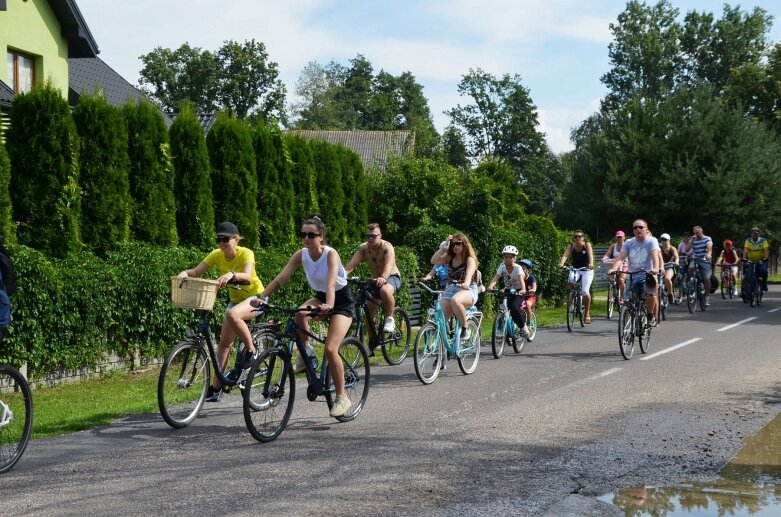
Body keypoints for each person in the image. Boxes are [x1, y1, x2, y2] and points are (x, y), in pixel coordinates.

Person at [251, 215, 355, 418]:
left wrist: (329, 306)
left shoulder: (331, 254)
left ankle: (342, 397)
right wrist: (262, 297)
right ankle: (307, 353)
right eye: (303, 234)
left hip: (341, 301)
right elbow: (281, 278)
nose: (306, 238)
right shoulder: (301, 255)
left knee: (331, 347)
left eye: (311, 234)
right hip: (321, 297)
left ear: (321, 237)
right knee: (299, 313)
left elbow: (332, 283)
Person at [177, 222, 264, 402]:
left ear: (236, 239)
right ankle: (216, 389)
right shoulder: (217, 255)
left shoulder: (246, 253)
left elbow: (247, 276)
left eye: (226, 239)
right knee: (224, 343)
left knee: (232, 315)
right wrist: (184, 274)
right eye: (219, 239)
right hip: (236, 301)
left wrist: (231, 274)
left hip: (257, 298)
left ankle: (252, 351)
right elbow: (196, 271)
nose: (222, 243)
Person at [345, 223, 402, 333]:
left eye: (373, 236)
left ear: (380, 236)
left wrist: (384, 277)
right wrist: (342, 276)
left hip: (391, 277)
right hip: (376, 280)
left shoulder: (387, 246)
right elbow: (353, 263)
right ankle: (372, 341)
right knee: (368, 307)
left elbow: (389, 265)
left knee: (385, 291)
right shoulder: (364, 248)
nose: (370, 239)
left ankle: (390, 318)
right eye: (368, 236)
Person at [608, 219, 662, 326]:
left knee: (650, 294)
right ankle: (628, 327)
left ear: (646, 229)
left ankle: (650, 315)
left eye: (641, 227)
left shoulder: (652, 241)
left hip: (648, 274)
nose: (638, 229)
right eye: (635, 227)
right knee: (628, 302)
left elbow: (655, 256)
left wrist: (655, 268)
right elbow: (620, 258)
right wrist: (613, 269)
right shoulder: (629, 243)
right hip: (632, 275)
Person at [431, 232, 479, 342]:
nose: (455, 246)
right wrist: (444, 247)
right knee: (441, 319)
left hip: (468, 289)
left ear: (464, 244)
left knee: (455, 300)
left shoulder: (469, 259)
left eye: (458, 243)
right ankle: (441, 349)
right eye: (453, 245)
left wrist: (466, 283)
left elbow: (469, 274)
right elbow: (433, 261)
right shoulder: (449, 258)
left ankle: (465, 328)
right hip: (451, 289)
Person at [486, 245, 529, 337]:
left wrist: (523, 289)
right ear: (503, 258)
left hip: (518, 291)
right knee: (503, 309)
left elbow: (521, 280)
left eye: (510, 257)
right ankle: (501, 329)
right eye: (506, 257)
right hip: (508, 290)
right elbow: (495, 279)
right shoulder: (502, 267)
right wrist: (490, 286)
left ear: (515, 258)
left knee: (514, 308)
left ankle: (523, 326)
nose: (508, 259)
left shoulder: (518, 268)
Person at [558, 230, 594, 324]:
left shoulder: (586, 245)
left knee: (585, 291)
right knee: (570, 281)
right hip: (575, 269)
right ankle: (574, 296)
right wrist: (561, 264)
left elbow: (590, 255)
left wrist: (590, 264)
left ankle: (587, 313)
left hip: (587, 270)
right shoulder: (571, 246)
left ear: (583, 237)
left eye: (580, 236)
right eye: (576, 237)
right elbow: (565, 255)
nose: (578, 238)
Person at [685, 225, 714, 306]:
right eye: (694, 233)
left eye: (697, 233)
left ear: (701, 232)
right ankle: (691, 284)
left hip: (704, 259)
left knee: (707, 278)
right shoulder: (693, 239)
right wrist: (691, 241)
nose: (696, 234)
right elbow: (687, 250)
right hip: (696, 259)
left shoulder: (707, 238)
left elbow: (709, 248)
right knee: (690, 268)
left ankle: (707, 296)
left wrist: (708, 254)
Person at [602, 230, 628, 302]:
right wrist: (605, 258)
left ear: (624, 237)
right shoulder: (613, 246)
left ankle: (623, 296)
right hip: (615, 265)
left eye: (620, 237)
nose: (619, 239)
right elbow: (607, 254)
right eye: (618, 237)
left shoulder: (627, 245)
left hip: (625, 265)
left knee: (621, 280)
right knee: (610, 277)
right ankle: (611, 296)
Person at [743, 227, 769, 292]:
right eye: (753, 233)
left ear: (759, 234)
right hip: (751, 261)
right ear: (751, 234)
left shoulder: (763, 240)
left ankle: (764, 284)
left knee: (764, 271)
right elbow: (745, 250)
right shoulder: (748, 240)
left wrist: (766, 258)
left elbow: (766, 250)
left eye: (756, 233)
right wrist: (744, 257)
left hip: (761, 261)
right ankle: (747, 291)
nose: (754, 234)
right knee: (749, 276)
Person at [519, 259, 537, 342]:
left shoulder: (531, 278)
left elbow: (534, 286)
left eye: (523, 269)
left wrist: (533, 289)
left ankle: (529, 324)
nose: (521, 270)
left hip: (530, 297)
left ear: (528, 270)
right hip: (521, 296)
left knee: (527, 304)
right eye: (520, 268)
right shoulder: (518, 277)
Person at [659, 233, 679, 304]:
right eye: (662, 239)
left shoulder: (672, 248)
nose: (663, 241)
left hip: (669, 266)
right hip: (660, 267)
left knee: (667, 278)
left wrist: (676, 262)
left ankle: (670, 294)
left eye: (665, 239)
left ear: (669, 240)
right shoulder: (659, 248)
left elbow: (676, 256)